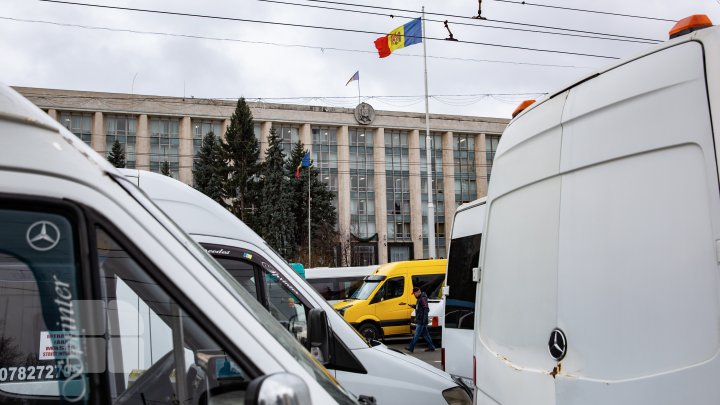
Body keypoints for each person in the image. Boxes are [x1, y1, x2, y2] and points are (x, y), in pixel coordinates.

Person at [406, 287, 436, 353]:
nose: (414, 295)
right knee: (425, 335)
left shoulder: (422, 298)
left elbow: (426, 309)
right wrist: (413, 306)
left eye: (414, 294)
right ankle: (431, 347)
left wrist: (424, 320)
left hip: (421, 320)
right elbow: (420, 308)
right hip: (421, 319)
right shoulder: (420, 298)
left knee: (417, 334)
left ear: (417, 292)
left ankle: (411, 348)